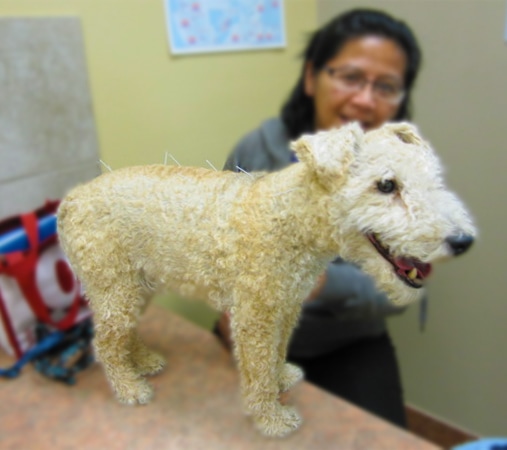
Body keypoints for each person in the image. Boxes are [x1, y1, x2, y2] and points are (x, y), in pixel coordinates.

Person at [213, 8, 423, 428]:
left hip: (347, 344)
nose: (365, 99)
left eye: (386, 87)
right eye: (349, 77)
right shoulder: (256, 149)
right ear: (311, 78)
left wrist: (322, 283)